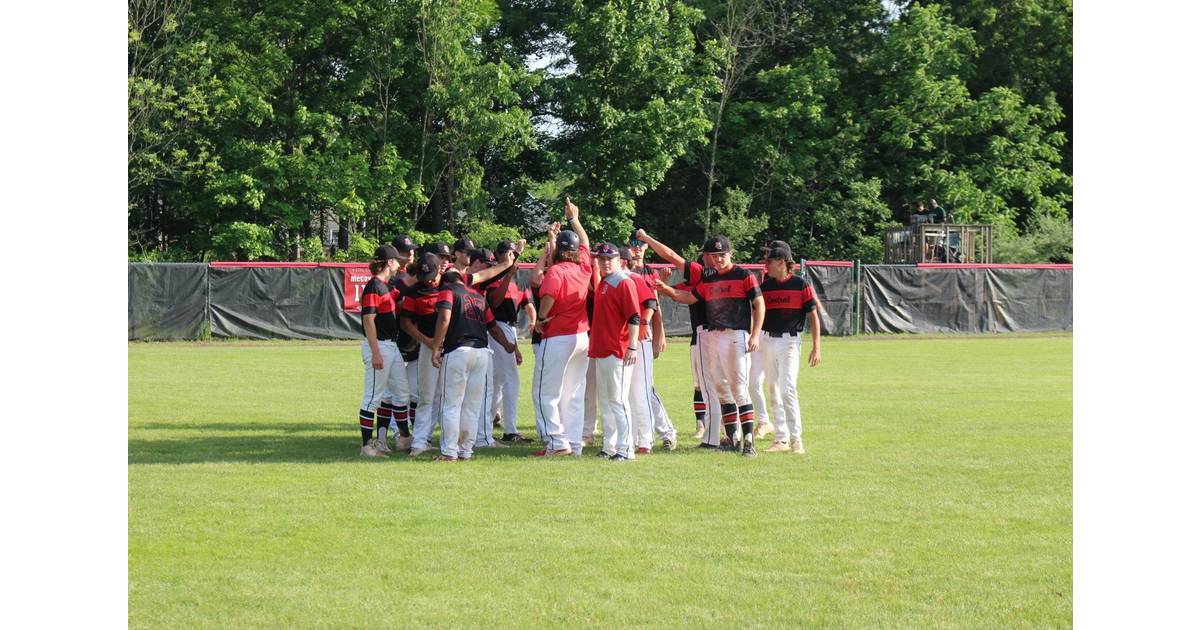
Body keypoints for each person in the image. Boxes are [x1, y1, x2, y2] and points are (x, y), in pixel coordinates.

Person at [653, 235, 765, 457]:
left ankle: (749, 442)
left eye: (722, 254)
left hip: (736, 334)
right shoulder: (709, 279)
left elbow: (759, 303)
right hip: (715, 336)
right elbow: (690, 297)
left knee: (740, 390)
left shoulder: (744, 275)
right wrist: (665, 289)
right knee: (722, 389)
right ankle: (732, 438)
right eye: (714, 255)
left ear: (731, 254)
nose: (718, 259)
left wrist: (755, 335)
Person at [400, 251, 514, 456]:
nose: (428, 282)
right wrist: (429, 342)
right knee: (429, 396)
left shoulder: (450, 285)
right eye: (423, 277)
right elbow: (405, 321)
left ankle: (452, 448)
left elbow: (483, 276)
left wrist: (505, 265)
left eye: (431, 277)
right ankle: (421, 441)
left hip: (453, 347)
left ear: (440, 272)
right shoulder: (416, 291)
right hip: (435, 345)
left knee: (450, 400)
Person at [428, 263, 518, 461]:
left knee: (451, 404)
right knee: (471, 405)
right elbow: (493, 328)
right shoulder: (478, 297)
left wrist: (436, 346)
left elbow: (444, 317)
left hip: (458, 351)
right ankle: (466, 450)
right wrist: (507, 344)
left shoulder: (448, 291)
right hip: (482, 353)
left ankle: (449, 451)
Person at [531, 197, 593, 457]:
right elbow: (586, 243)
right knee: (574, 394)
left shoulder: (556, 272)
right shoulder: (584, 268)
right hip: (582, 337)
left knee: (544, 392)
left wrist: (541, 319)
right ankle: (573, 444)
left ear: (557, 251)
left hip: (558, 336)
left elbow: (548, 299)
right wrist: (574, 219)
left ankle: (557, 444)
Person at [758, 244, 821, 453]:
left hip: (790, 342)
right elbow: (755, 311)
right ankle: (781, 439)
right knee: (774, 389)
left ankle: (796, 439)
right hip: (767, 340)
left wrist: (816, 347)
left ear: (782, 262)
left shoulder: (800, 285)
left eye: (770, 262)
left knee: (787, 389)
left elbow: (813, 315)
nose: (766, 266)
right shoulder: (765, 287)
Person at [587, 243, 643, 461]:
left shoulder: (623, 281)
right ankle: (610, 446)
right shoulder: (604, 282)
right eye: (601, 259)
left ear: (620, 260)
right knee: (607, 401)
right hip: (602, 348)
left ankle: (626, 449)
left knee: (618, 400)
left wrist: (632, 346)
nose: (605, 262)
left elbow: (634, 316)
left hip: (617, 349)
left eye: (609, 258)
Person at [355, 245, 410, 458]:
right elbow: (368, 320)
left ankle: (403, 438)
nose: (398, 263)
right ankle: (367, 446)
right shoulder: (373, 287)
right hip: (378, 345)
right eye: (396, 260)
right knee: (372, 398)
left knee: (401, 393)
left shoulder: (386, 286)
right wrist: (376, 352)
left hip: (391, 346)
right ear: (389, 262)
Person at [620, 246, 676, 453]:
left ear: (623, 262)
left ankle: (647, 440)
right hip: (622, 343)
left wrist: (650, 329)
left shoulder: (634, 279)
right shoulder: (609, 282)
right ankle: (634, 438)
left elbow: (653, 303)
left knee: (642, 392)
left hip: (640, 341)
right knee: (629, 393)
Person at [482, 239, 532, 444]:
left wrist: (517, 346)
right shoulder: (495, 276)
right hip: (496, 327)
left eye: (513, 253)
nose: (511, 256)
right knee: (508, 381)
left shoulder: (510, 278)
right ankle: (509, 430)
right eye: (508, 253)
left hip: (506, 327)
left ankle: (487, 424)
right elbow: (494, 302)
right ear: (498, 255)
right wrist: (509, 274)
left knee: (499, 380)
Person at [382, 234, 419, 451]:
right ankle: (397, 433)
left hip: (414, 344)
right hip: (395, 344)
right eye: (406, 252)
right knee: (393, 394)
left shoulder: (417, 279)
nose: (410, 255)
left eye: (412, 251)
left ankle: (409, 432)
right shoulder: (392, 282)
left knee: (412, 394)